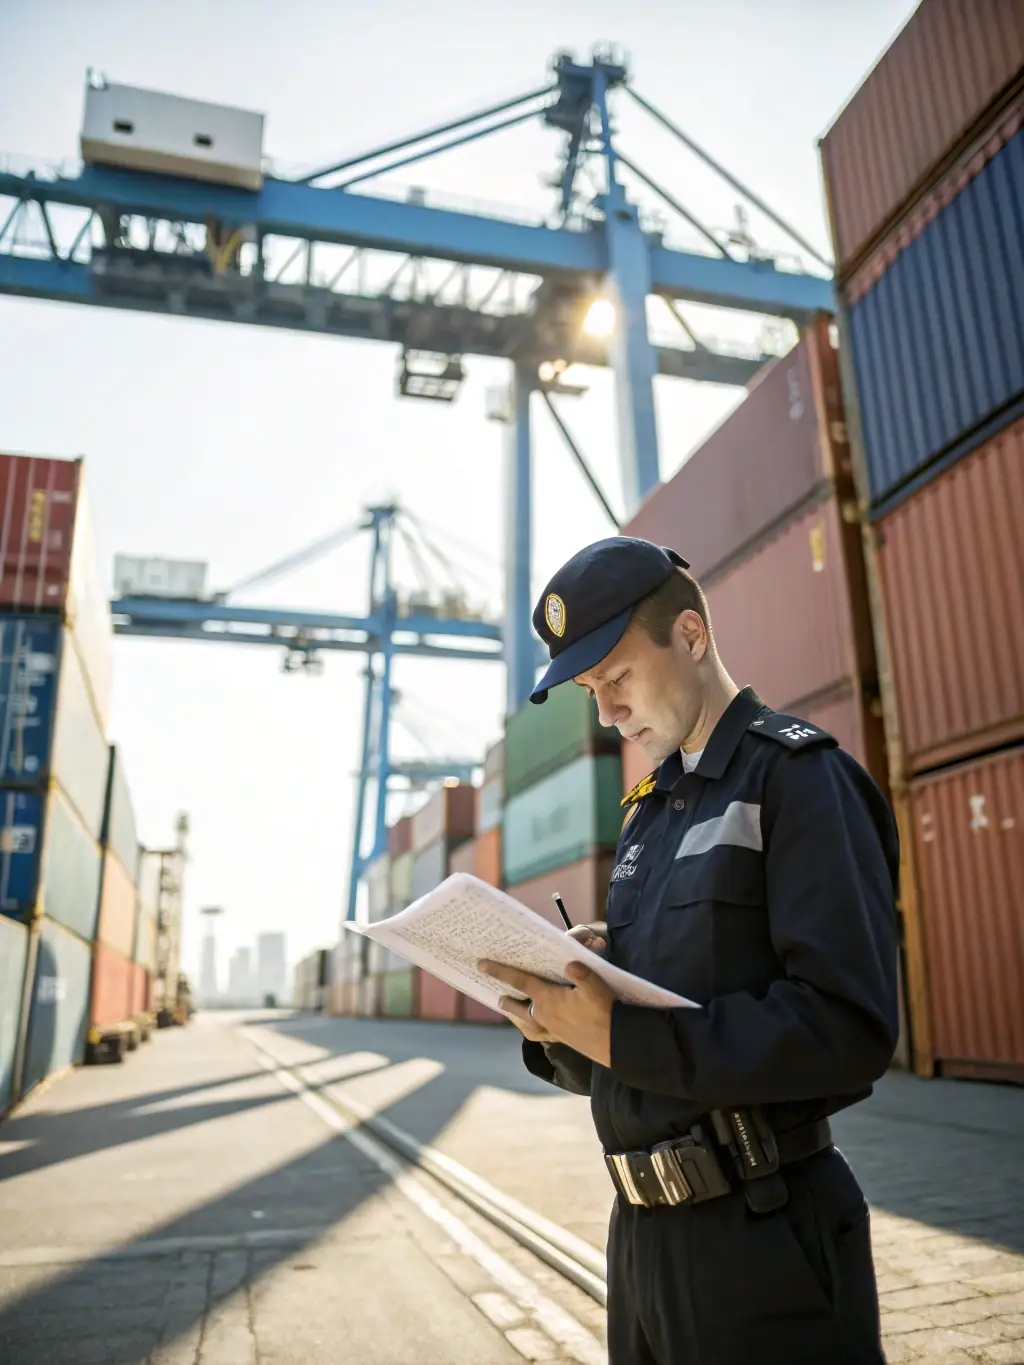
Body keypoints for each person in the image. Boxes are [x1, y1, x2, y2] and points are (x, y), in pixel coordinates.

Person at [479, 536, 900, 1365]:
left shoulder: (798, 780)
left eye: (617, 678)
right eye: (591, 690)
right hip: (640, 1246)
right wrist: (561, 1025)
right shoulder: (649, 815)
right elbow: (653, 1047)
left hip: (762, 1239)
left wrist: (619, 1035)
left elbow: (848, 1029)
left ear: (692, 636)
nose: (606, 712)